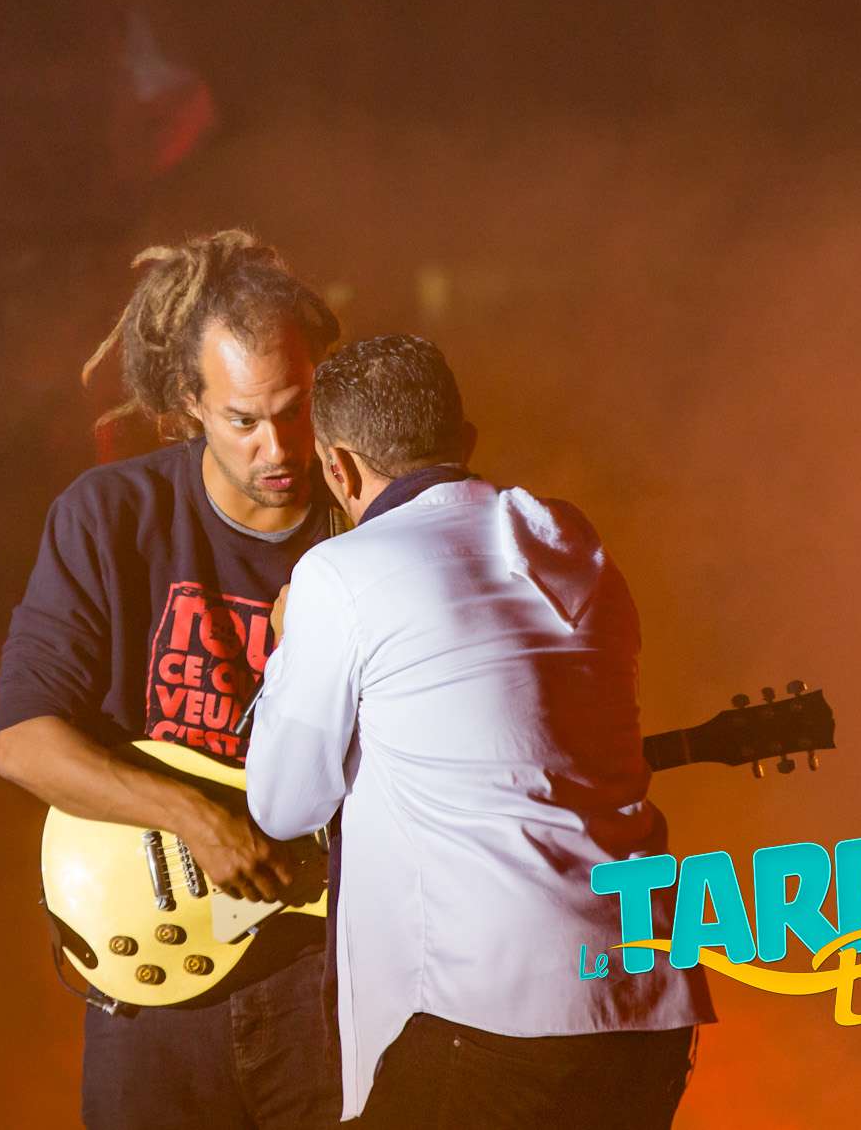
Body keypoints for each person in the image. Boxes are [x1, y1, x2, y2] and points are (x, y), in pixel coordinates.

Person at [245, 334, 714, 1128]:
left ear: (339, 468)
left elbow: (282, 803)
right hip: (646, 999)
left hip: (490, 1015)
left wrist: (287, 645)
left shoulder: (339, 573)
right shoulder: (574, 543)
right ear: (463, 440)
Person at [0, 229, 345, 1128]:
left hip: (324, 979)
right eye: (244, 420)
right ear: (190, 403)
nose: (279, 447)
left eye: (297, 410)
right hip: (157, 986)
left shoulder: (362, 529)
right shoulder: (110, 516)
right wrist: (198, 819)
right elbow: (23, 743)